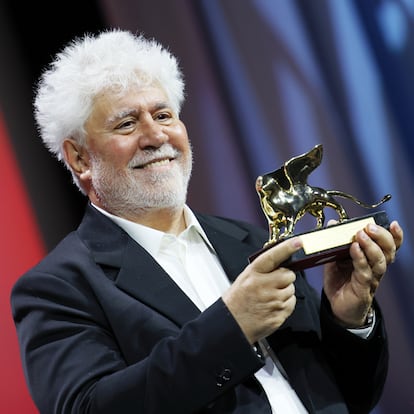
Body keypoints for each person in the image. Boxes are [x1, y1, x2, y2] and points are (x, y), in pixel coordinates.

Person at [10, 28, 403, 414]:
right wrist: (231, 328)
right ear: (79, 159)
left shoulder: (250, 242)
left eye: (163, 115)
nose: (155, 136)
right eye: (126, 123)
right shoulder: (57, 288)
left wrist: (348, 319)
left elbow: (350, 396)